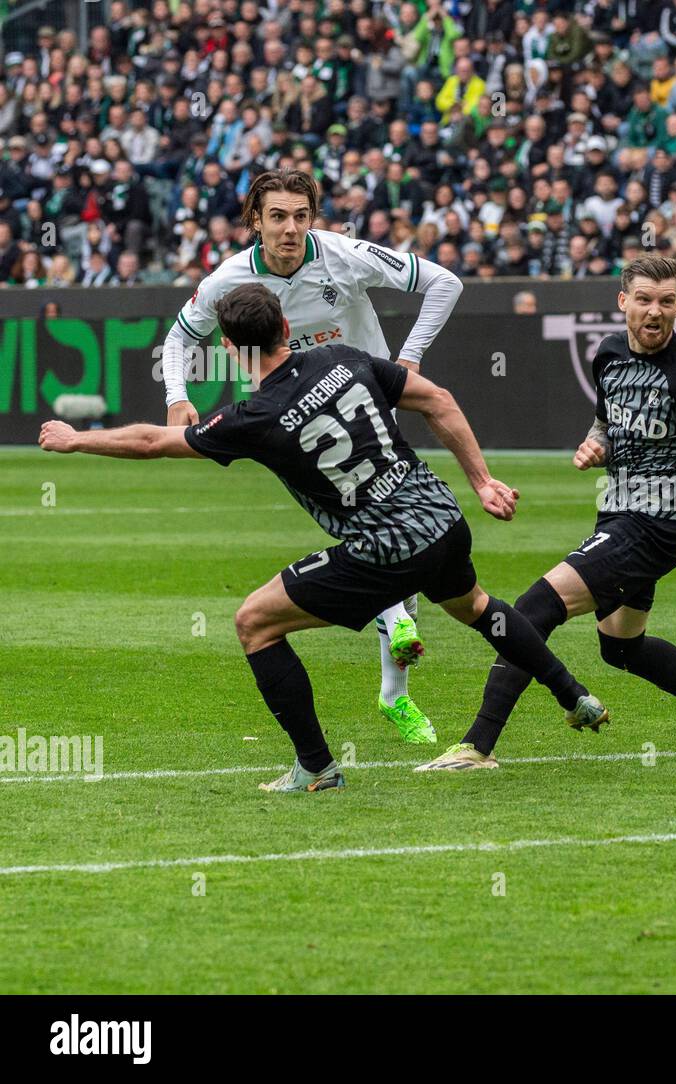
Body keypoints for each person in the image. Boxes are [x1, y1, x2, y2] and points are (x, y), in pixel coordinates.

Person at [39, 283, 608, 792]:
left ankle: (315, 766)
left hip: (387, 547)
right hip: (441, 516)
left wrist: (76, 439)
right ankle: (574, 694)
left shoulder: (253, 415)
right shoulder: (342, 357)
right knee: (478, 607)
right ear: (287, 327)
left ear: (233, 350)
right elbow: (438, 399)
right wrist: (481, 481)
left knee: (254, 622)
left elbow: (152, 442)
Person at [419, 254, 676, 771]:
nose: (655, 313)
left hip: (658, 526)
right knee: (622, 649)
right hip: (617, 516)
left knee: (533, 608)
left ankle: (477, 746)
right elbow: (606, 420)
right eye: (644, 300)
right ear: (623, 302)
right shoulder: (607, 353)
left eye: (666, 302)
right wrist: (593, 443)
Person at [159, 169, 464, 746]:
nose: (291, 229)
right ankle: (396, 669)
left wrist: (411, 358)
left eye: (301, 216)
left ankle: (396, 674)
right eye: (277, 216)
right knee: (385, 536)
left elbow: (445, 283)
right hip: (292, 421)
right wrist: (178, 398)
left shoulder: (345, 256)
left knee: (386, 534)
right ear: (255, 221)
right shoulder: (230, 278)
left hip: (366, 401)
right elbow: (179, 336)